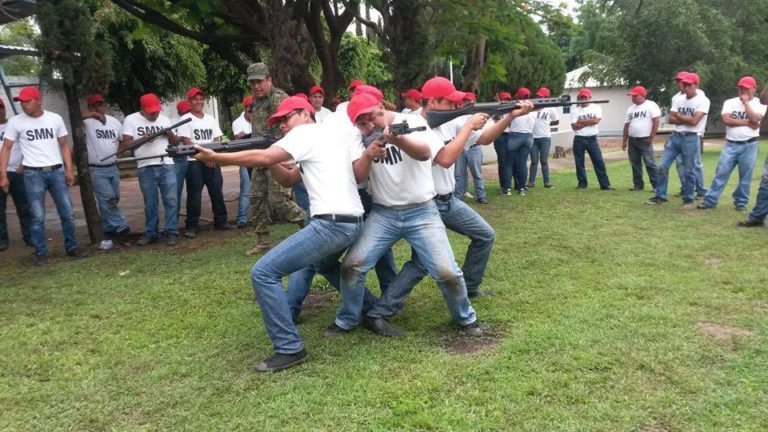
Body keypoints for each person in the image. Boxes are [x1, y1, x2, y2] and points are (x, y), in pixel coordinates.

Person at [194, 96, 365, 372]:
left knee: (263, 272)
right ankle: (369, 307)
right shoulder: (325, 136)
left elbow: (264, 156)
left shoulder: (306, 133)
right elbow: (287, 178)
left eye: (287, 118)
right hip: (350, 222)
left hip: (332, 225)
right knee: (321, 264)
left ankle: (289, 348)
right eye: (279, 122)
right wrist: (268, 153)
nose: (283, 125)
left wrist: (216, 156)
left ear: (306, 114)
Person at [359, 78, 535, 334]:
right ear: (432, 102)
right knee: (422, 264)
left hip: (447, 200)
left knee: (484, 235)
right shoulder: (413, 125)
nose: (457, 105)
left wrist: (509, 116)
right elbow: (444, 159)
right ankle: (380, 313)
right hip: (428, 204)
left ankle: (469, 289)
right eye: (449, 102)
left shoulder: (451, 119)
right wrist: (467, 127)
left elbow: (484, 139)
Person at [325, 92, 481, 339]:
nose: (367, 125)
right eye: (361, 122)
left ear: (380, 106)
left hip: (422, 212)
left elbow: (425, 153)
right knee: (351, 266)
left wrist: (398, 141)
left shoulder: (413, 123)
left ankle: (466, 318)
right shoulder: (359, 136)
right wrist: (368, 154)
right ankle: (347, 319)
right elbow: (359, 176)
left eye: (370, 118)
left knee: (447, 272)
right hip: (383, 214)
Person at [0, 86, 87, 265]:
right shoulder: (16, 122)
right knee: (37, 215)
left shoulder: (54, 119)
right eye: (21, 102)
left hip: (56, 171)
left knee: (67, 212)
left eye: (27, 101)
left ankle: (71, 247)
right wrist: (3, 174)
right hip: (33, 174)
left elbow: (64, 144)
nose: (24, 105)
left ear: (38, 101)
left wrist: (69, 170)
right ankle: (41, 252)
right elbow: (6, 148)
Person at [246, 62, 305, 255]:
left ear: (269, 80)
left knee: (278, 200)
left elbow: (292, 130)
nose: (256, 86)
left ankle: (308, 223)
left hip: (279, 154)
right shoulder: (256, 101)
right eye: (252, 83)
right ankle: (263, 240)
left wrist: (284, 156)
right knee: (255, 198)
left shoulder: (280, 99)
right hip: (261, 155)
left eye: (260, 82)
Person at [698, 76, 766, 210]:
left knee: (745, 175)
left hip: (750, 145)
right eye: (741, 88)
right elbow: (727, 120)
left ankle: (741, 202)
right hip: (731, 144)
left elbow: (755, 118)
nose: (743, 91)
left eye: (746, 88)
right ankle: (710, 201)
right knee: (721, 172)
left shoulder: (761, 104)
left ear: (754, 88)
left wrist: (746, 104)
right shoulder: (729, 102)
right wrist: (748, 122)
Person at [122, 93, 179, 246]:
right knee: (150, 202)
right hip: (145, 165)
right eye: (151, 112)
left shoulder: (165, 119)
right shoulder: (131, 119)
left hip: (166, 163)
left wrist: (169, 134)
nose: (155, 114)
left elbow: (175, 143)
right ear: (142, 108)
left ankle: (171, 232)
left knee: (171, 200)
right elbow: (126, 145)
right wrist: (143, 139)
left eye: (157, 111)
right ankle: (151, 233)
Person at [646, 73, 710, 207]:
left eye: (689, 85)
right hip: (675, 136)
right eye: (684, 84)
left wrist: (680, 117)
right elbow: (670, 119)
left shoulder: (703, 100)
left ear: (696, 85)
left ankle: (688, 199)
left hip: (691, 138)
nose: (686, 87)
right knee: (662, 166)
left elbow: (694, 121)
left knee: (689, 170)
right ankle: (661, 196)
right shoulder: (678, 99)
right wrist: (685, 118)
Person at [178, 87, 234, 238]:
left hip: (211, 160)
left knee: (217, 191)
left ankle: (221, 221)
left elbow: (217, 139)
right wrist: (205, 156)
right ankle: (191, 225)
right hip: (194, 161)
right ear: (189, 101)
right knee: (194, 194)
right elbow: (187, 142)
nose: (199, 101)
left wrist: (212, 157)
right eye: (195, 99)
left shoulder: (210, 119)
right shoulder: (185, 119)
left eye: (201, 99)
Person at [82, 93, 132, 242]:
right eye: (94, 105)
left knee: (113, 198)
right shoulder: (86, 122)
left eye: (100, 104)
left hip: (112, 165)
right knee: (108, 198)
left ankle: (108, 228)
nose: (98, 108)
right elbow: (74, 117)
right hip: (96, 168)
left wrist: (118, 153)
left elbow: (122, 140)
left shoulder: (114, 122)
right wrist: (92, 115)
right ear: (89, 107)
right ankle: (122, 226)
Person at [0, 97, 31, 251]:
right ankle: (2, 239)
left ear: (4, 108)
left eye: (0, 108)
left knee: (24, 206)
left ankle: (29, 236)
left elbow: (28, 145)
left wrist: (23, 164)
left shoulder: (15, 124)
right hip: (0, 174)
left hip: (17, 172)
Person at [570, 88, 614, 190]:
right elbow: (573, 126)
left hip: (592, 139)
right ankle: (582, 184)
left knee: (598, 161)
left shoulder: (596, 107)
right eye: (581, 98)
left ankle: (605, 184)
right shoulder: (575, 110)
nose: (583, 100)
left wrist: (580, 121)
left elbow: (596, 121)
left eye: (585, 98)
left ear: (590, 98)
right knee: (579, 163)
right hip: (579, 139)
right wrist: (589, 121)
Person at [621, 86, 661, 191]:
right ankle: (638, 184)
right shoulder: (630, 109)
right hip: (632, 139)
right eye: (632, 96)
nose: (632, 98)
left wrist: (651, 136)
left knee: (650, 163)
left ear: (643, 95)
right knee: (635, 163)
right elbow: (626, 125)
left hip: (645, 139)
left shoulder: (651, 105)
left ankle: (657, 185)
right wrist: (624, 141)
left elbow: (656, 120)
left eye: (635, 96)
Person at [453, 92, 488, 203]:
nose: (467, 102)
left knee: (476, 173)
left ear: (474, 102)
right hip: (461, 147)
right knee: (459, 174)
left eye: (470, 101)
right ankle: (458, 197)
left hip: (474, 146)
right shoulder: (458, 114)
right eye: (466, 100)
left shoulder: (478, 115)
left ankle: (481, 196)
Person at [504, 87, 536, 195]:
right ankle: (522, 188)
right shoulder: (532, 107)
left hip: (515, 136)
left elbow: (508, 122)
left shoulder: (515, 107)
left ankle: (507, 189)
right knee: (522, 163)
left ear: (518, 96)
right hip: (528, 137)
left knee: (509, 163)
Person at [529, 87, 559, 189]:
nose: (539, 98)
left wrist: (546, 124)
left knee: (544, 161)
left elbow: (556, 120)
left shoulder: (550, 108)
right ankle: (531, 182)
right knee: (533, 161)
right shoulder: (532, 106)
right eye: (538, 96)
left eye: (541, 97)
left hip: (545, 138)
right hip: (533, 138)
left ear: (547, 98)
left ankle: (547, 182)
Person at [232, 95, 253, 228]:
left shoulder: (260, 119)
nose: (252, 113)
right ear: (245, 109)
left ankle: (268, 215)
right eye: (250, 110)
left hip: (259, 157)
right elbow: (241, 141)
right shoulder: (237, 122)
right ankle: (242, 218)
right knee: (246, 190)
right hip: (246, 158)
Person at [172, 100, 191, 222]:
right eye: (185, 112)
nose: (187, 113)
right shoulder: (174, 121)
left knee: (193, 190)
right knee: (176, 190)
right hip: (179, 157)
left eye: (189, 111)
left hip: (193, 157)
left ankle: (191, 219)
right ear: (179, 112)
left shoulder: (195, 119)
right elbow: (173, 139)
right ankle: (174, 219)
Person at [493, 91, 512, 193]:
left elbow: (511, 125)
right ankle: (504, 186)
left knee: (510, 161)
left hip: (509, 136)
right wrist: (498, 107)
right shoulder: (497, 110)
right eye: (504, 99)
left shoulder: (511, 111)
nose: (506, 101)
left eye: (508, 99)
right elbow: (498, 120)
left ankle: (509, 184)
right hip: (499, 136)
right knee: (502, 162)